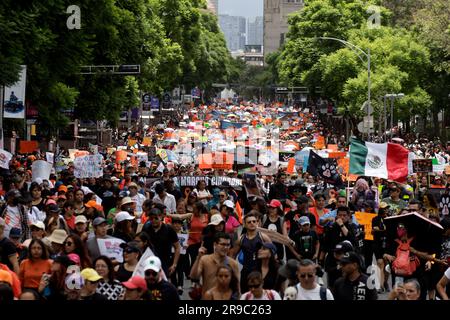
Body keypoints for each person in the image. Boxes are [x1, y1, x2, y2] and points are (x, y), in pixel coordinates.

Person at [190, 232, 240, 299]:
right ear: (215, 244)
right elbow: (194, 276)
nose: (225, 247)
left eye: (228, 245)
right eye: (222, 244)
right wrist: (198, 258)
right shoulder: (205, 260)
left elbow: (238, 288)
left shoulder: (233, 263)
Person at [232, 213, 272, 292]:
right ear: (245, 224)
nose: (252, 223)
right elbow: (233, 255)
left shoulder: (263, 237)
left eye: (254, 221)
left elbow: (272, 253)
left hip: (259, 271)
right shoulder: (241, 239)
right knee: (245, 294)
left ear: (257, 223)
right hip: (246, 271)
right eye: (249, 222)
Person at [142, 208, 180, 276]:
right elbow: (141, 244)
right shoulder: (146, 228)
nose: (153, 220)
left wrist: (174, 264)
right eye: (151, 218)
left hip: (165, 262)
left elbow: (177, 247)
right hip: (150, 260)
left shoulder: (168, 229)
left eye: (156, 218)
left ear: (161, 217)